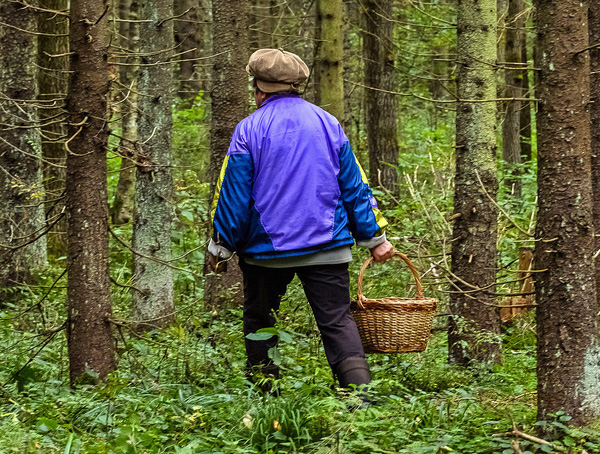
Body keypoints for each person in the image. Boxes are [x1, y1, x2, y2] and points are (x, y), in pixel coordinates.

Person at [207, 49, 395, 396]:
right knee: (338, 323)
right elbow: (354, 186)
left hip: (265, 253)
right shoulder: (328, 123)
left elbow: (233, 195)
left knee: (261, 321)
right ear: (296, 86)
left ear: (258, 87)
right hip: (329, 248)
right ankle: (361, 401)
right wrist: (374, 239)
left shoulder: (248, 130)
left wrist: (220, 247)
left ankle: (267, 402)